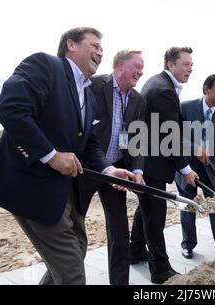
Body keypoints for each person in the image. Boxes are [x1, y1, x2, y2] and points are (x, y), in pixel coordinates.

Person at [0, 27, 134, 285]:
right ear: (71, 45)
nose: (100, 52)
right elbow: (11, 109)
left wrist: (108, 171)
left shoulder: (87, 92)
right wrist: (51, 156)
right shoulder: (45, 65)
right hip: (31, 185)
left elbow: (88, 146)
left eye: (102, 48)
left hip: (64, 191)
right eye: (94, 45)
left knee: (77, 249)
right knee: (72, 272)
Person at [129, 47, 199, 284]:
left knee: (146, 208)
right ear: (171, 65)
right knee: (155, 217)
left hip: (148, 160)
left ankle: (136, 250)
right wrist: (186, 170)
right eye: (186, 64)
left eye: (191, 64)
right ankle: (159, 270)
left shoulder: (158, 83)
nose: (190, 68)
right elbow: (169, 136)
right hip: (151, 163)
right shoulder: (164, 91)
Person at [76, 50, 147, 285]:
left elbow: (135, 140)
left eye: (142, 67)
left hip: (116, 171)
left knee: (119, 231)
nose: (141, 71)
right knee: (74, 232)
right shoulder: (94, 85)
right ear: (119, 65)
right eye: (136, 66)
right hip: (86, 168)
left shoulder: (137, 100)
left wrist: (137, 170)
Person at [176, 74, 215, 258]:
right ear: (205, 89)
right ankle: (188, 244)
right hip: (187, 166)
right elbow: (174, 137)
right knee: (188, 206)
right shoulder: (185, 108)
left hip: (213, 168)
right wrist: (195, 150)